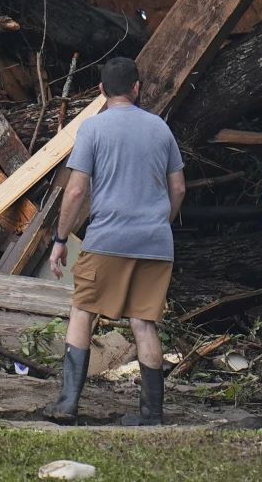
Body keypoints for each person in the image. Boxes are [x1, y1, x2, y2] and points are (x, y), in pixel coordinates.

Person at [43, 56, 186, 425]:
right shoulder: (161, 130)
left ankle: (67, 405)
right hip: (155, 243)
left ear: (102, 91)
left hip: (107, 239)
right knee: (144, 322)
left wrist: (60, 238)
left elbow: (76, 192)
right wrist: (159, 222)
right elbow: (179, 187)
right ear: (137, 88)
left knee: (82, 311)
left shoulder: (93, 129)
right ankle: (151, 414)